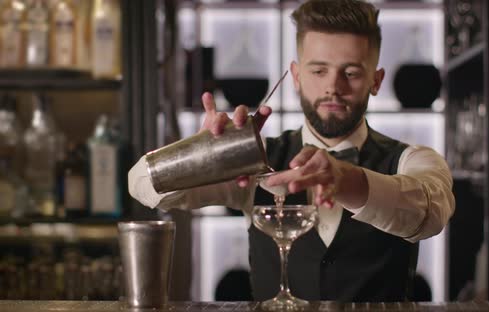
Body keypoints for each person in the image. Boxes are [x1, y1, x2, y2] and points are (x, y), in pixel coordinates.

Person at [128, 0, 455, 302]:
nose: (333, 87)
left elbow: (430, 213)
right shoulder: (256, 162)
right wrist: (201, 154)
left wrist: (346, 180)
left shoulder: (413, 159)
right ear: (296, 77)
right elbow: (141, 183)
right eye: (318, 71)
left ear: (376, 80)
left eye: (351, 73)